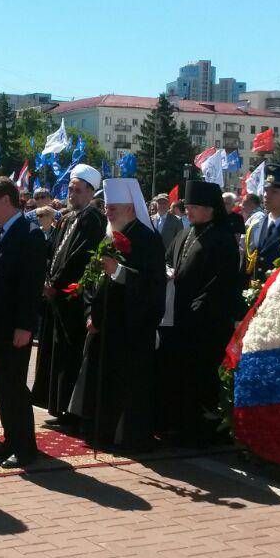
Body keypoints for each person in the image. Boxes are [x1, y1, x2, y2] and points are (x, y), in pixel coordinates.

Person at [68, 178, 165, 451]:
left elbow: (152, 285)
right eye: (107, 208)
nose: (108, 213)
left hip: (131, 327)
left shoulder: (148, 239)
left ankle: (126, 437)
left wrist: (120, 272)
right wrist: (90, 312)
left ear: (132, 209)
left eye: (114, 208)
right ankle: (99, 431)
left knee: (126, 386)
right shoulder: (109, 236)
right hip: (104, 325)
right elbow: (91, 281)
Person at [162, 181, 242, 445]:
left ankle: (204, 431)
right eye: (187, 206)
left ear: (210, 209)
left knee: (203, 377)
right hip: (180, 318)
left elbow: (222, 282)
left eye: (194, 207)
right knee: (182, 375)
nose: (189, 211)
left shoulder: (222, 238)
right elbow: (169, 259)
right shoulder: (185, 234)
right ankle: (181, 424)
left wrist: (198, 307)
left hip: (207, 323)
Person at [0, 177, 47, 467]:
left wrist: (25, 325)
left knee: (15, 388)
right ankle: (10, 441)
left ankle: (25, 447)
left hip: (14, 327)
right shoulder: (1, 232)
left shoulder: (29, 233)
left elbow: (30, 285)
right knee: (3, 387)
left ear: (6, 199)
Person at [34, 164, 105, 426]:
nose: (71, 194)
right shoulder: (66, 217)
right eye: (69, 189)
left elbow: (80, 258)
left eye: (76, 190)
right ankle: (57, 406)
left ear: (90, 191)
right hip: (55, 297)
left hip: (73, 298)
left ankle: (72, 412)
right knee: (55, 354)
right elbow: (53, 250)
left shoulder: (93, 220)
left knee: (70, 355)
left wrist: (58, 282)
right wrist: (46, 277)